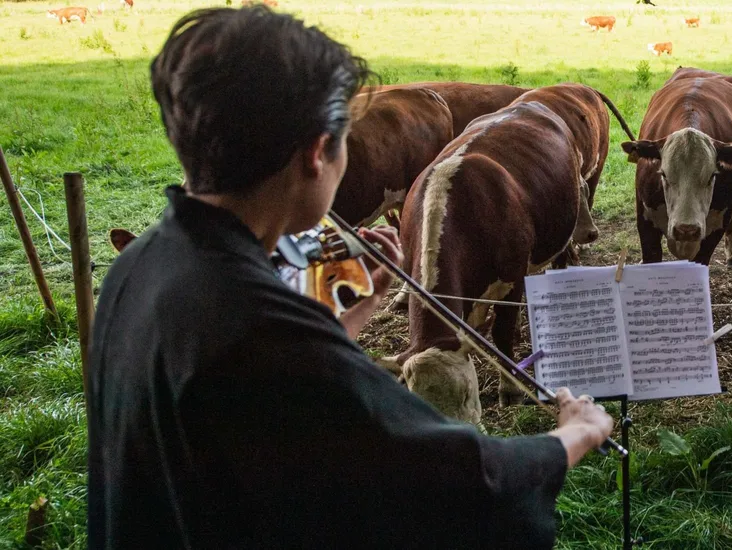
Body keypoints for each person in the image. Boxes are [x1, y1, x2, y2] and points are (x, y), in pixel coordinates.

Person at [87, 7, 613, 548]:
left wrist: (336, 321)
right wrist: (571, 435)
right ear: (318, 152)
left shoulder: (143, 263)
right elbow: (445, 481)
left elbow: (254, 418)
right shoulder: (264, 331)